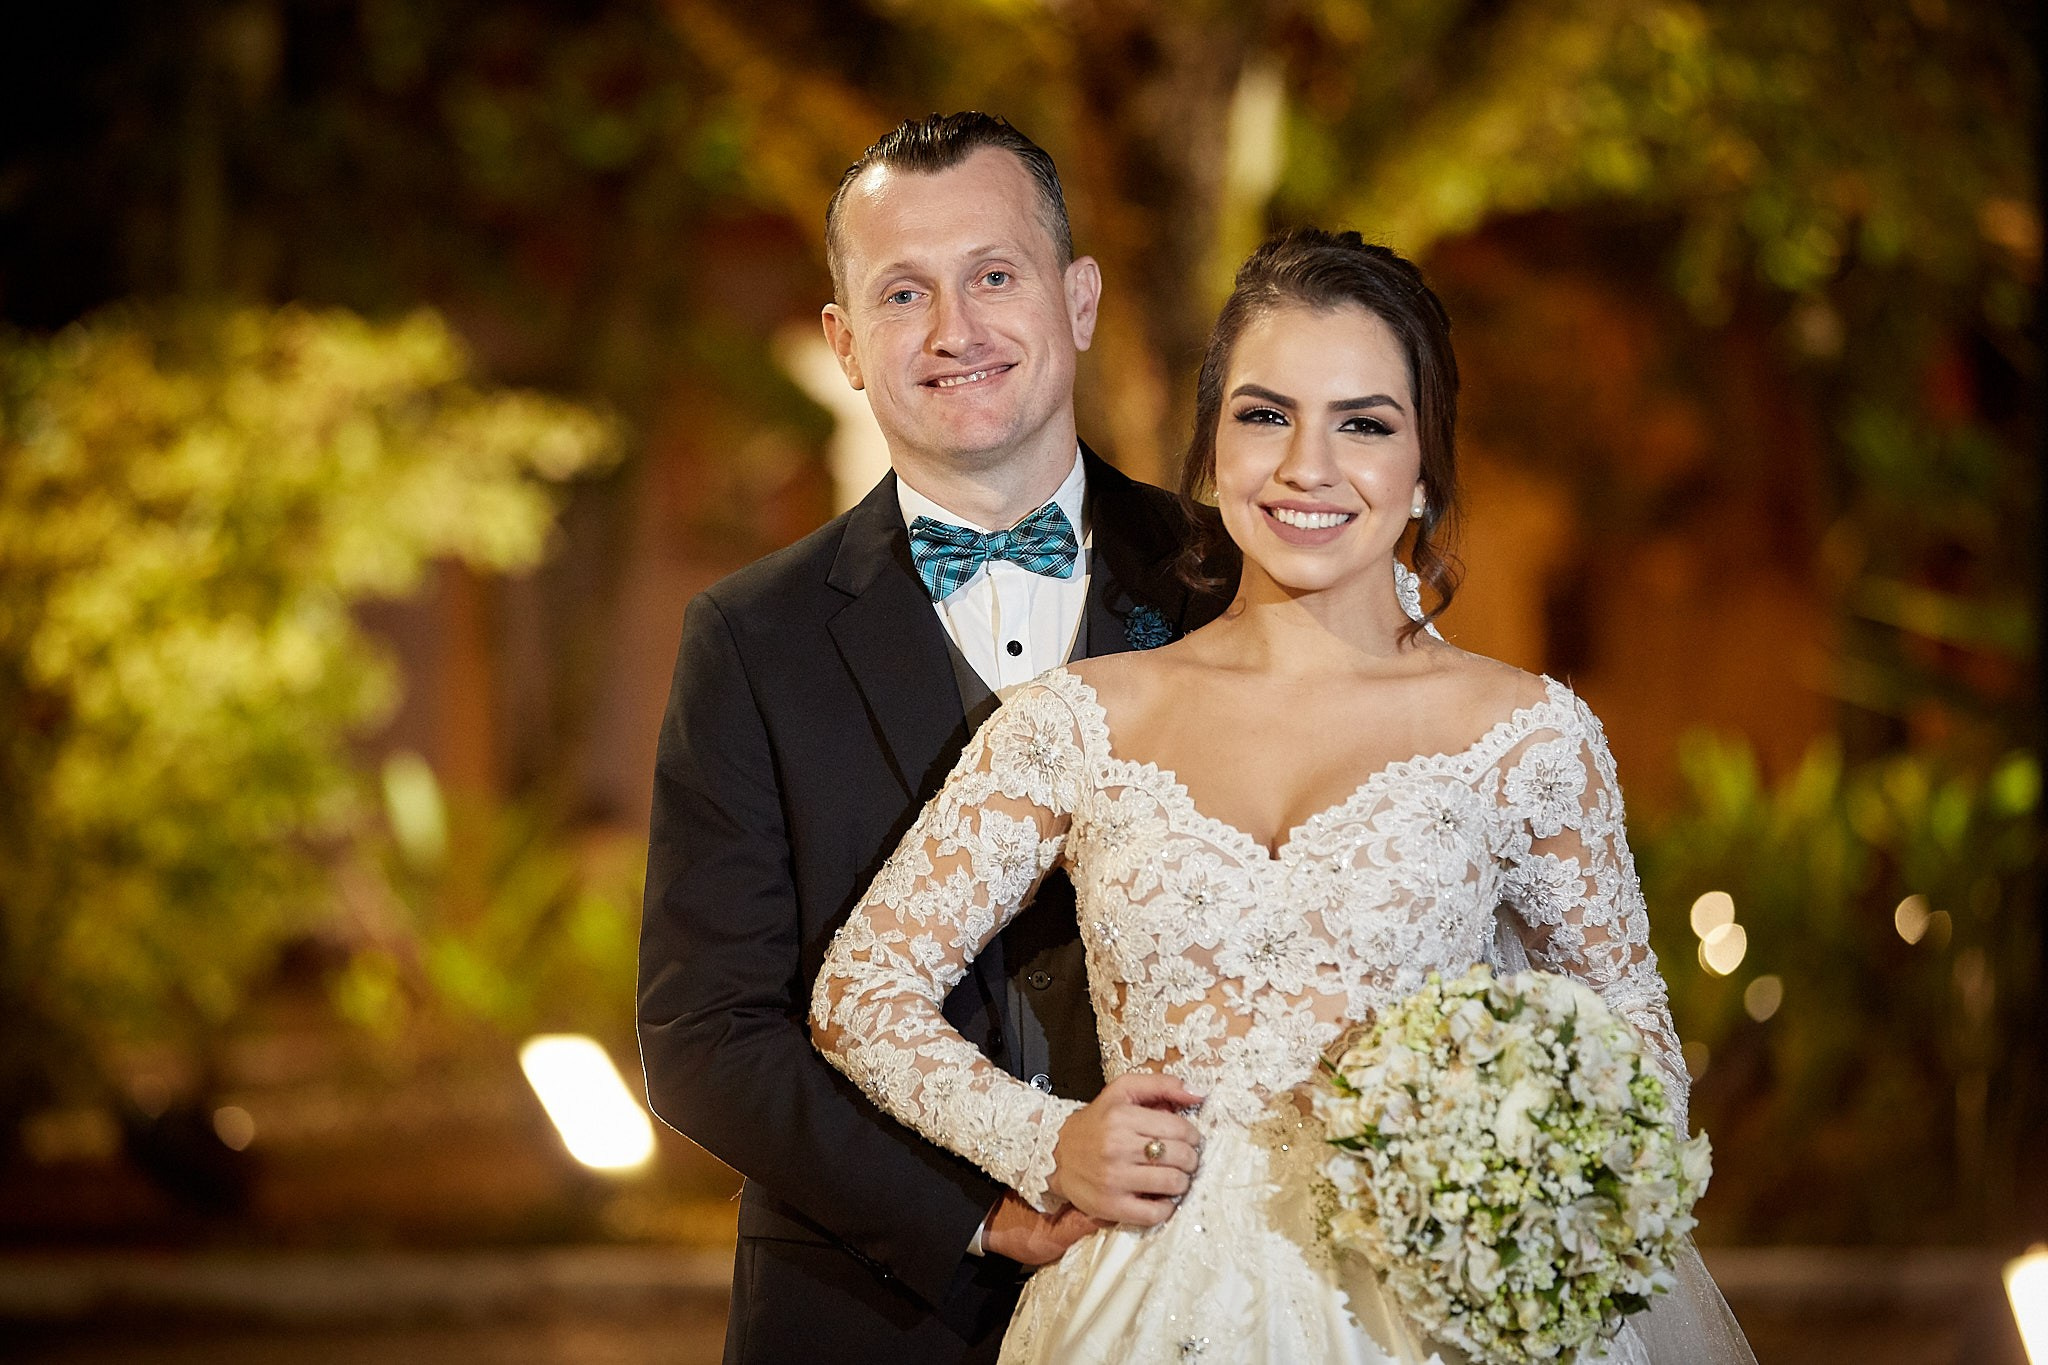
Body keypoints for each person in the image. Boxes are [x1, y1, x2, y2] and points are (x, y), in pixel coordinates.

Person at [811, 229, 1759, 1363]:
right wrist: (1045, 1140)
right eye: (1266, 415)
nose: (1308, 465)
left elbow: (1636, 1049)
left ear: (1425, 469)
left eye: (1364, 424)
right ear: (1213, 453)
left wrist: (1496, 1172)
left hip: (1433, 1311)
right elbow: (861, 988)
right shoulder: (1075, 722)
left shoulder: (1525, 736)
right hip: (1147, 1303)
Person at [637, 113, 1228, 1364]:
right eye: (903, 293)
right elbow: (703, 1039)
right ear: (844, 343)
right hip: (869, 1312)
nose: (955, 330)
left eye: (993, 275)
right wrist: (978, 1216)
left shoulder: (1228, 586)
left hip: (1195, 1287)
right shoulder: (749, 639)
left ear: (1077, 299)